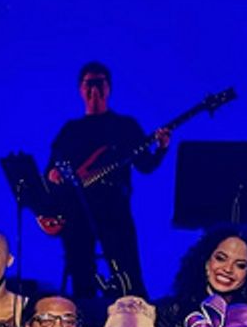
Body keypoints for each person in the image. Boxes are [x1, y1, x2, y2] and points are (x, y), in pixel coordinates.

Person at [47, 61, 170, 303]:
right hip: (78, 209)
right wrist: (54, 175)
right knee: (81, 270)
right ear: (80, 90)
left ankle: (135, 313)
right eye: (88, 83)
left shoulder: (125, 126)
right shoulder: (70, 131)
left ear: (109, 88)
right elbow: (50, 171)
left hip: (114, 206)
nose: (94, 89)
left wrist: (162, 148)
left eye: (99, 83)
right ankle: (84, 315)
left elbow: (145, 166)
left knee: (128, 268)